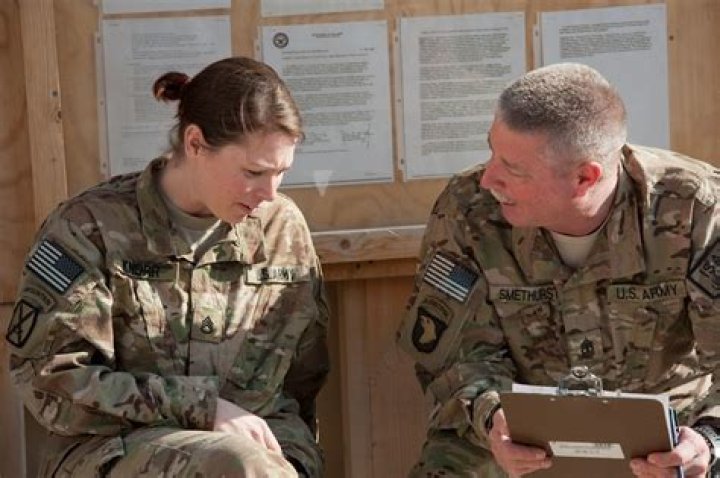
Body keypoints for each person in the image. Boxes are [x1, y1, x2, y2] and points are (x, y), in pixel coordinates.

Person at [5, 56, 329, 477]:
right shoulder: (88, 229)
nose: (269, 193)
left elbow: (303, 379)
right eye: (254, 172)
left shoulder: (282, 229)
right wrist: (201, 408)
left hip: (262, 452)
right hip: (115, 450)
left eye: (281, 172)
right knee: (238, 463)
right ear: (195, 144)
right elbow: (51, 380)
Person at [397, 62, 719, 477]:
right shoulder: (468, 210)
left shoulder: (695, 210)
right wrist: (492, 416)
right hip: (517, 436)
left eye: (513, 169)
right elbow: (456, 354)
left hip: (663, 440)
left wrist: (707, 439)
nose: (489, 179)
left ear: (585, 177)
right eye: (492, 152)